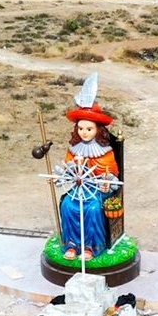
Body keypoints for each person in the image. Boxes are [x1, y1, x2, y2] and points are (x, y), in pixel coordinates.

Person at [58, 102, 120, 261]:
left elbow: (112, 176)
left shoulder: (105, 152)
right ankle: (71, 245)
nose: (84, 133)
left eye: (89, 129)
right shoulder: (73, 149)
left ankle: (92, 247)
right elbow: (67, 171)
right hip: (79, 190)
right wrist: (62, 177)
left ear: (98, 129)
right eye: (80, 129)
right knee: (67, 205)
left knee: (92, 208)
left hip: (97, 191)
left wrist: (107, 184)